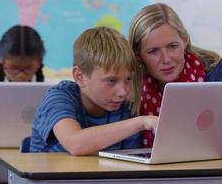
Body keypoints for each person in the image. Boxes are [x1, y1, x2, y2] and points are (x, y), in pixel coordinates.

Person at [128, 3, 222, 184]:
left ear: (185, 41)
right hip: (167, 179)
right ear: (138, 55)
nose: (166, 59)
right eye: (153, 51)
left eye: (172, 46)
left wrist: (209, 134)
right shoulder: (130, 86)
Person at [30, 26, 158, 155]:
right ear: (80, 77)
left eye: (128, 79)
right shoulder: (59, 97)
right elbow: (75, 144)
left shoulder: (125, 108)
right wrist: (141, 122)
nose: (123, 92)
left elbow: (131, 164)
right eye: (111, 81)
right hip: (55, 175)